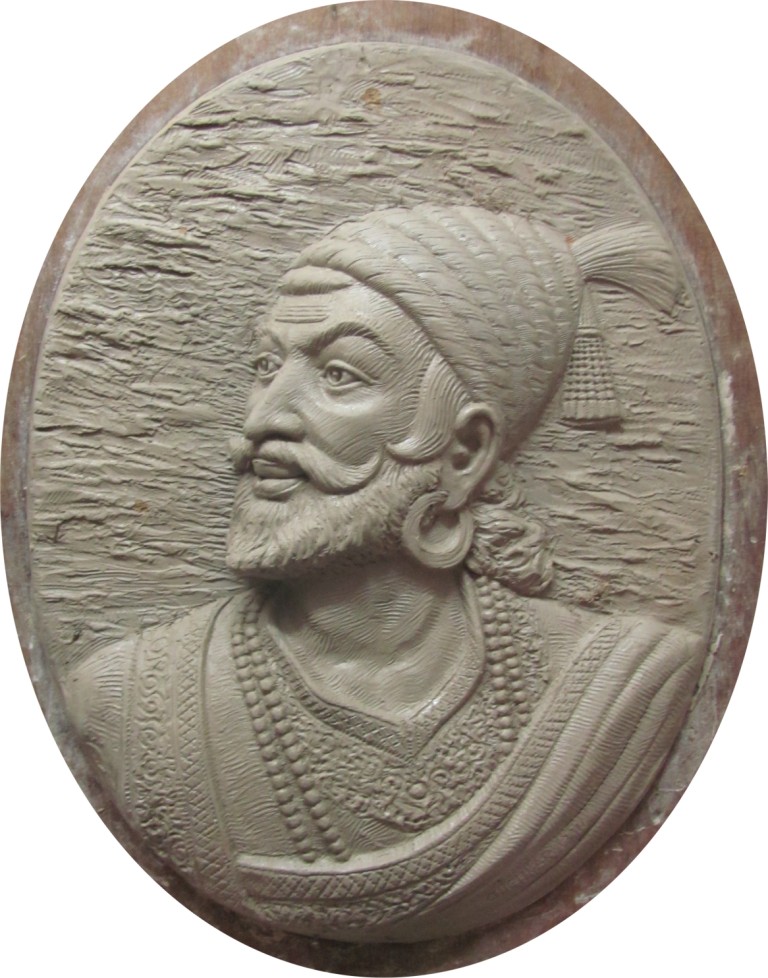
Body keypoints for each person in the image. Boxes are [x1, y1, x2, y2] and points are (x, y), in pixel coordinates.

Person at [64, 205, 704, 943]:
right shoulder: (132, 704)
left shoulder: (623, 688)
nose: (263, 420)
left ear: (464, 452)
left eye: (339, 375)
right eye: (265, 367)